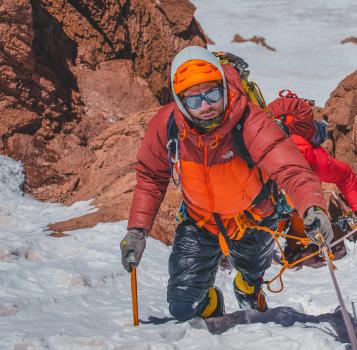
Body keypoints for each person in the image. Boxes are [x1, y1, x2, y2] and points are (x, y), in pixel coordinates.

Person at [119, 46, 334, 321]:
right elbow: (151, 177)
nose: (206, 106)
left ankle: (248, 286)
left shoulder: (249, 120)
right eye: (194, 100)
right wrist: (137, 231)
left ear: (224, 87)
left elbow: (291, 169)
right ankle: (210, 304)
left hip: (253, 217)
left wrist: (313, 208)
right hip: (200, 219)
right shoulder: (167, 125)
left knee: (251, 276)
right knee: (184, 307)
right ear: (179, 101)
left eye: (212, 94)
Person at [267, 91, 357, 261]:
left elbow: (345, 175)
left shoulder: (311, 157)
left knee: (290, 205)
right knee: (296, 203)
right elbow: (345, 175)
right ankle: (290, 244)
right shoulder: (313, 160)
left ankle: (286, 244)